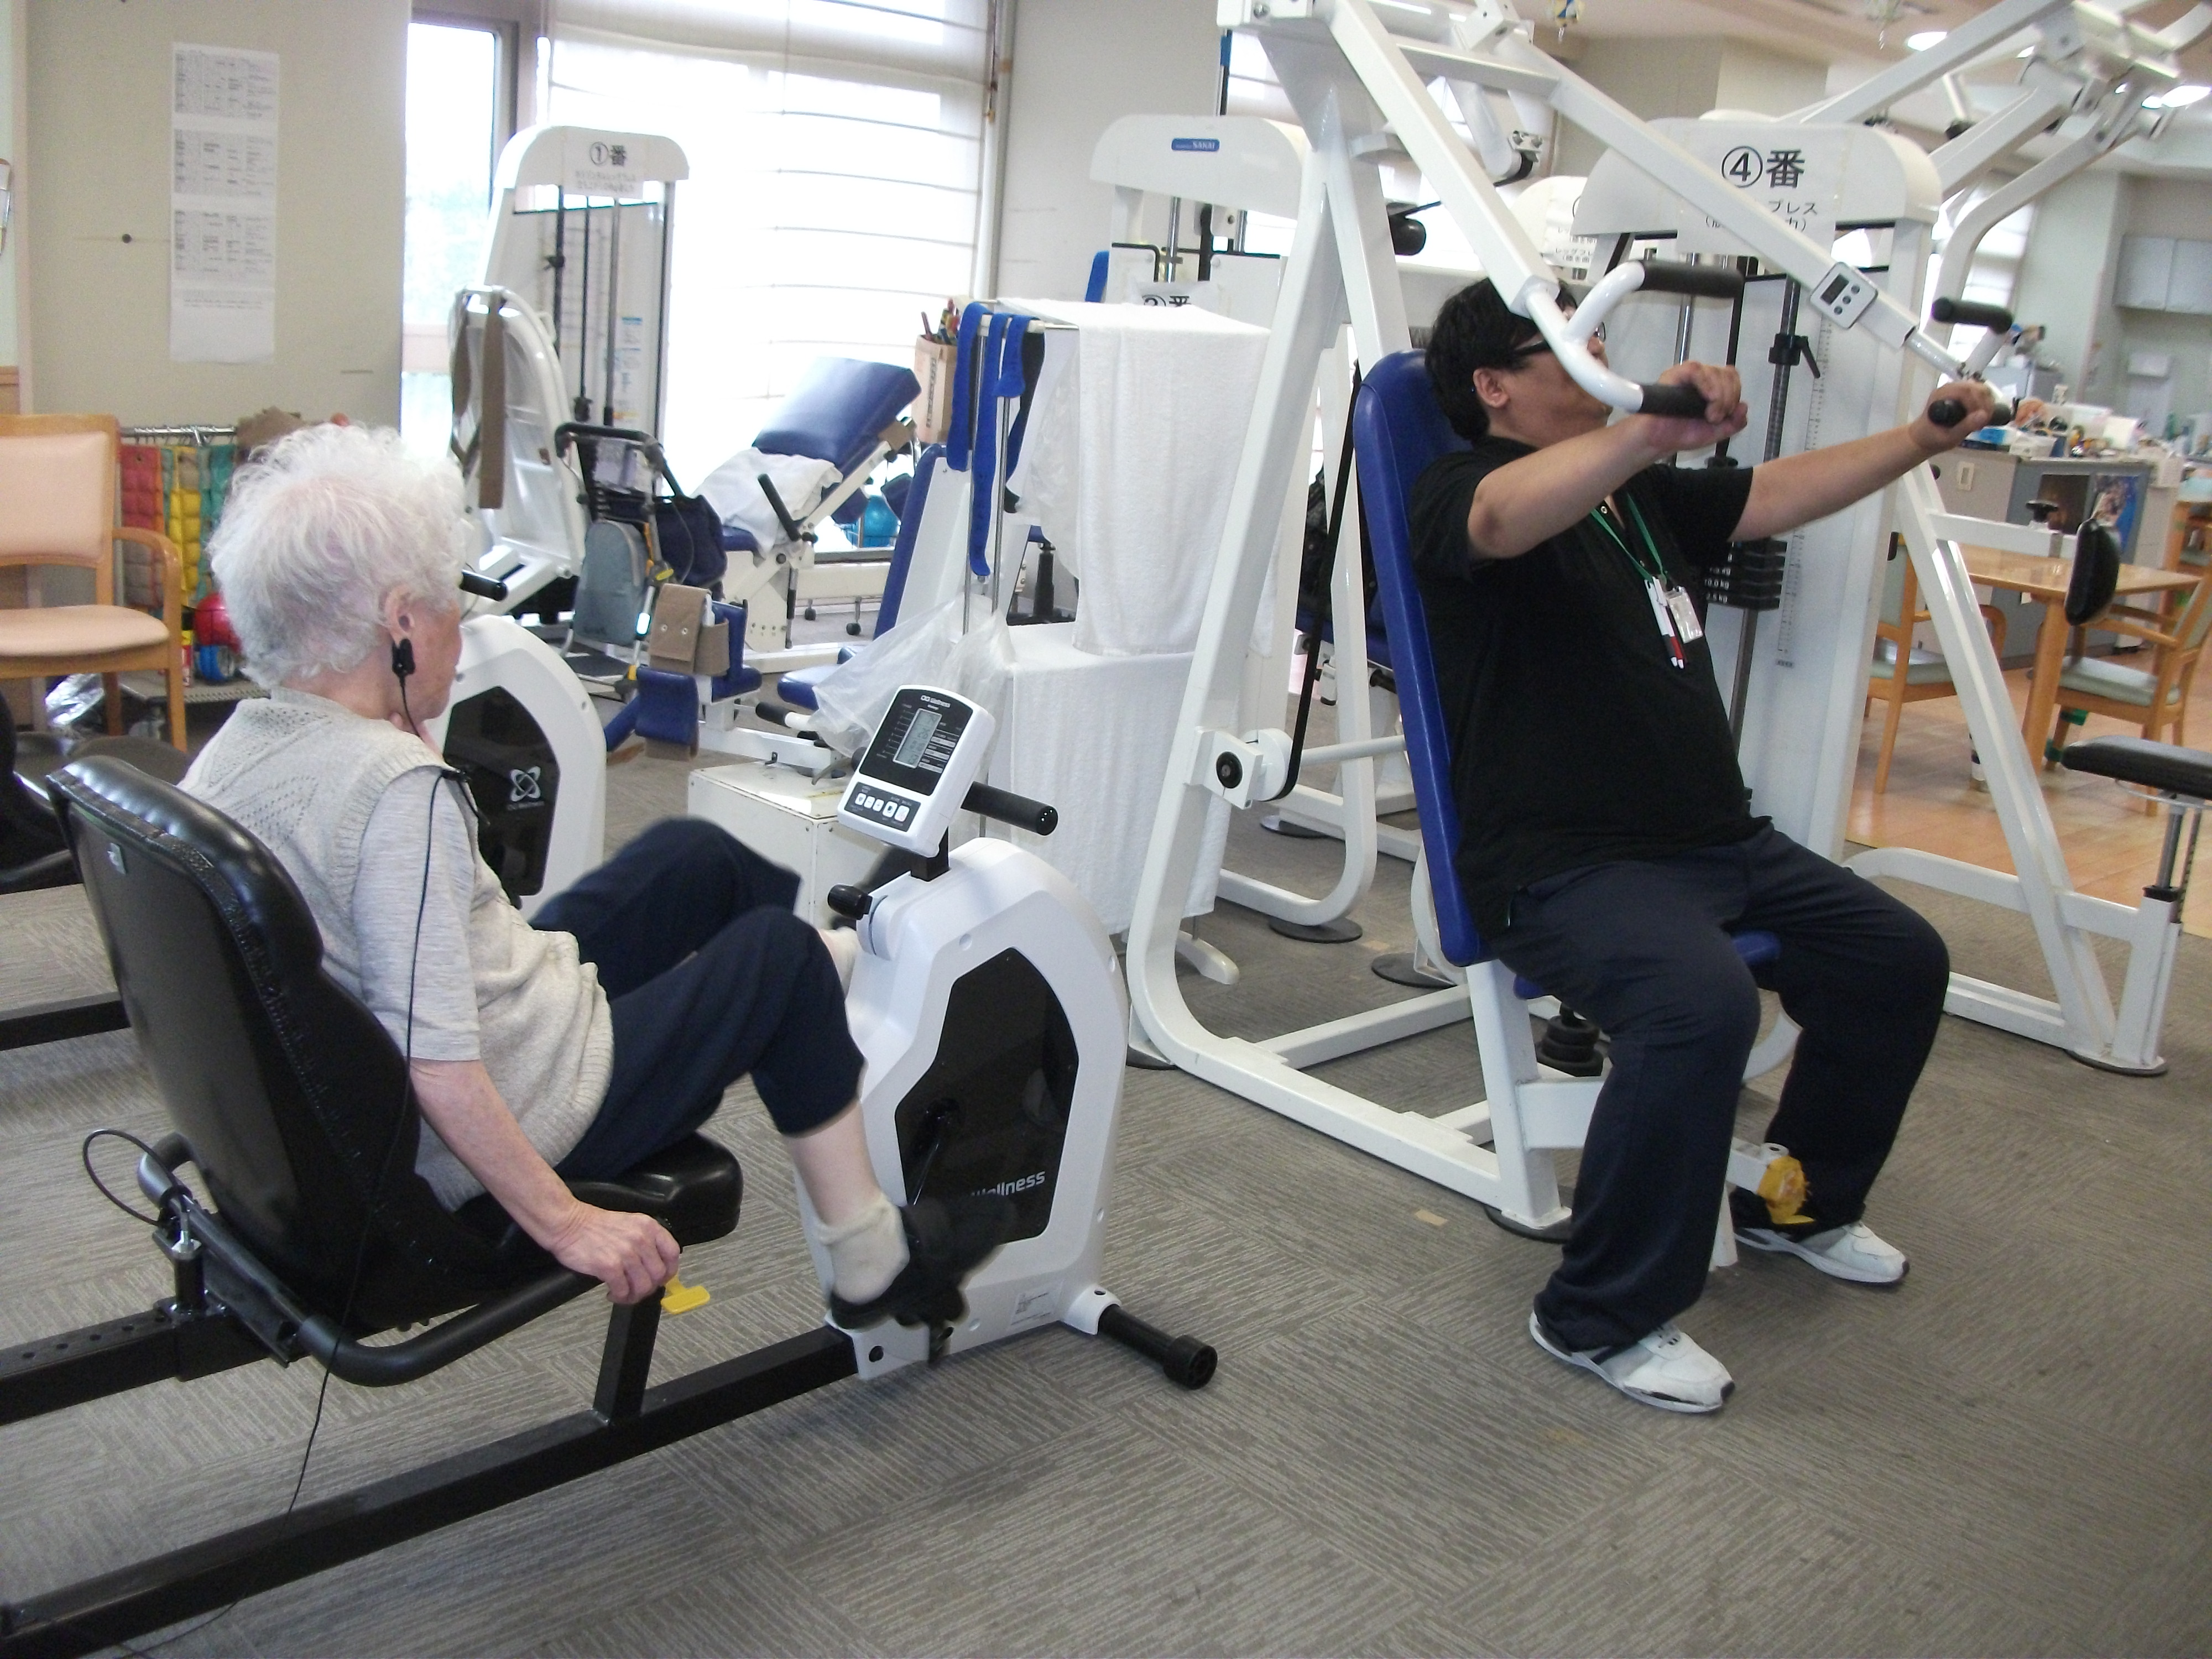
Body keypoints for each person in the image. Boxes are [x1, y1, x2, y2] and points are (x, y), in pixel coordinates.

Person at [184, 423, 1009, 1322]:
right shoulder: (394, 793)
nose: (462, 628)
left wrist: (398, 727)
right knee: (776, 958)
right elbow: (439, 1064)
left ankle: (825, 987)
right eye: (450, 601)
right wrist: (568, 1221)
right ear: (400, 621)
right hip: (526, 1106)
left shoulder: (235, 753)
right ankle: (871, 1259)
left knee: (691, 859)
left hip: (499, 1029)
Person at [1412, 280, 2000, 1413]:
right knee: (1698, 1007)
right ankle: (1595, 1315)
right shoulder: (1460, 491)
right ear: (1494, 386)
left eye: (1598, 338)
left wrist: (1920, 439)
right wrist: (1645, 426)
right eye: (1566, 346)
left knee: (1896, 958)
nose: (1597, 355)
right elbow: (1499, 521)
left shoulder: (1631, 498)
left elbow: (1774, 494)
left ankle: (1799, 1206)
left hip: (1717, 842)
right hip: (1566, 865)